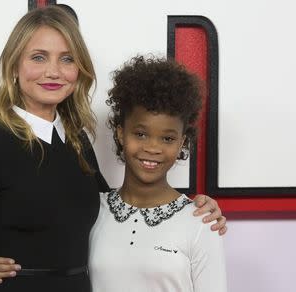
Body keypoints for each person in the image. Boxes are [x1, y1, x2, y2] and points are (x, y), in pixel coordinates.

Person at [0, 6, 226, 292]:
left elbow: (115, 207)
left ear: (78, 69)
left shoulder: (77, 142)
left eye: (66, 59)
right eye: (38, 57)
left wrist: (190, 209)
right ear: (14, 66)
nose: (53, 71)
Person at [89, 55, 226, 291]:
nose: (152, 148)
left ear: (182, 142)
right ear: (121, 133)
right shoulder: (92, 210)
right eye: (140, 134)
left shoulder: (201, 221)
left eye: (167, 138)